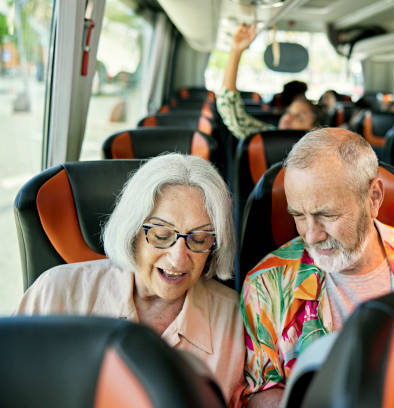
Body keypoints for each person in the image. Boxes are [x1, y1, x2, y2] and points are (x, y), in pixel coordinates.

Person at [240, 128, 394, 407]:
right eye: (298, 215)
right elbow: (260, 392)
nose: (311, 235)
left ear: (373, 198)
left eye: (328, 215)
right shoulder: (266, 283)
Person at [15, 153, 245, 405]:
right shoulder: (55, 291)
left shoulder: (236, 317)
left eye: (199, 239)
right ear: (133, 230)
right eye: (160, 234)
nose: (179, 259)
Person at [216, 24, 326, 140]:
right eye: (288, 112)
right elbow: (230, 109)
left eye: (298, 116)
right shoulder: (266, 137)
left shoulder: (322, 153)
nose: (287, 118)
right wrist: (236, 51)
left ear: (314, 130)